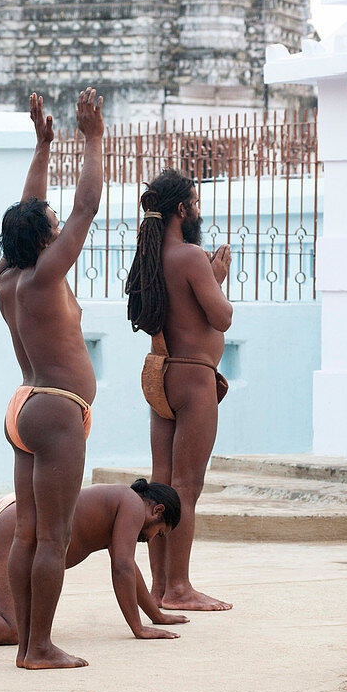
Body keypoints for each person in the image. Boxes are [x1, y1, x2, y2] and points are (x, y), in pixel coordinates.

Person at [0, 89, 104, 668]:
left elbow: (26, 210)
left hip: (25, 405)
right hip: (58, 410)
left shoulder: (8, 275)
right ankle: (38, 646)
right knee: (53, 538)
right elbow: (85, 205)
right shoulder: (43, 277)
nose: (60, 227)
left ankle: (24, 641)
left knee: (29, 532)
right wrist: (92, 137)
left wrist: (42, 147)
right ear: (44, 239)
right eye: (52, 228)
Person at [0, 480, 189, 657]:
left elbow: (130, 568)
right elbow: (121, 567)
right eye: (158, 533)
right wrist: (138, 628)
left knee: (3, 611)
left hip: (1, 514)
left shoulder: (118, 502)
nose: (149, 540)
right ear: (157, 510)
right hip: (15, 524)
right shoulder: (133, 505)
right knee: (13, 630)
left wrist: (156, 615)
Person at [124, 168, 234, 611]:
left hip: (160, 375)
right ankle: (180, 587)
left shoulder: (150, 257)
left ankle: (158, 586)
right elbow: (221, 317)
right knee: (187, 487)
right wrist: (218, 276)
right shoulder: (191, 257)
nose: (198, 212)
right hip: (193, 377)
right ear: (181, 209)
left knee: (162, 485)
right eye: (195, 203)